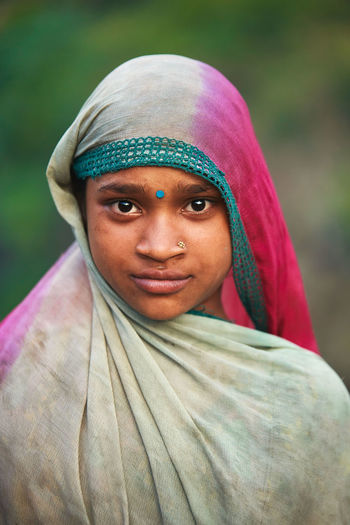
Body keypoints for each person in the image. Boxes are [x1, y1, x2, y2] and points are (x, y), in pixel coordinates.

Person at [0, 54, 349, 524]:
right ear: (81, 209)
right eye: (124, 205)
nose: (160, 247)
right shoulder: (16, 382)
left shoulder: (307, 403)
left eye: (198, 204)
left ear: (240, 210)